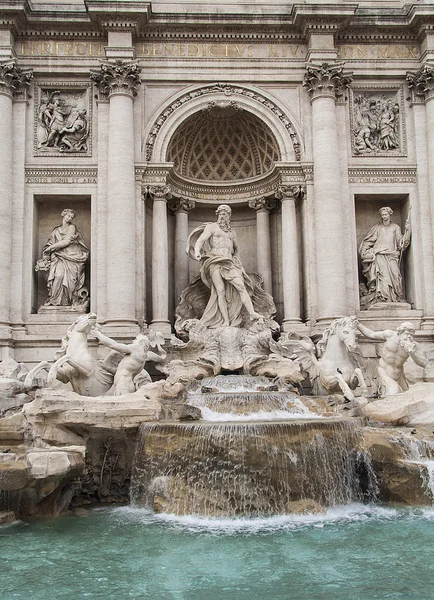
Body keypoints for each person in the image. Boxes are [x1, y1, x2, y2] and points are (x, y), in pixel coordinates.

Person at [186, 204, 263, 328]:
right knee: (220, 291)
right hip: (214, 261)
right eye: (220, 214)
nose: (222, 216)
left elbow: (237, 249)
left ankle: (252, 313)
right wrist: (197, 252)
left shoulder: (232, 233)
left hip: (229, 263)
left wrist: (236, 259)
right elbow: (200, 240)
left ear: (229, 216)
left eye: (225, 214)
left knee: (241, 286)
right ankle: (225, 321)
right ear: (217, 215)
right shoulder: (212, 227)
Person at [36, 209, 89, 308]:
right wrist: (47, 252)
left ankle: (67, 301)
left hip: (71, 257)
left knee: (70, 281)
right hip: (58, 257)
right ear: (63, 215)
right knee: (58, 276)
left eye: (71, 217)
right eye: (68, 216)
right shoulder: (56, 230)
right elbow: (50, 243)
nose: (69, 218)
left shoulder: (72, 227)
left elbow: (66, 242)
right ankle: (55, 300)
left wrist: (50, 248)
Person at [357, 321, 428, 397]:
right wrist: (358, 325)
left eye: (411, 334)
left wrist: (412, 353)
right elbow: (371, 334)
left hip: (399, 376)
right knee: (393, 393)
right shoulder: (389, 335)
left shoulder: (414, 346)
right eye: (407, 334)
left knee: (405, 397)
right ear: (400, 332)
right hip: (384, 372)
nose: (409, 336)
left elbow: (423, 363)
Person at [359, 206, 410, 306]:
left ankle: (396, 297)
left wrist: (408, 232)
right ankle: (383, 298)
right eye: (382, 215)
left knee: (396, 276)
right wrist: (364, 251)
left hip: (392, 255)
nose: (384, 217)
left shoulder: (395, 227)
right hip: (380, 255)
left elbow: (401, 243)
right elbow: (368, 241)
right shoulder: (377, 228)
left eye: (386, 214)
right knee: (383, 276)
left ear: (390, 214)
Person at [93, 328, 166, 396]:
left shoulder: (136, 348)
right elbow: (124, 370)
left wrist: (98, 333)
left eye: (136, 340)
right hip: (125, 384)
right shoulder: (145, 355)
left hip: (123, 385)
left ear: (141, 342)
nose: (133, 341)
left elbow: (113, 345)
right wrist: (107, 368)